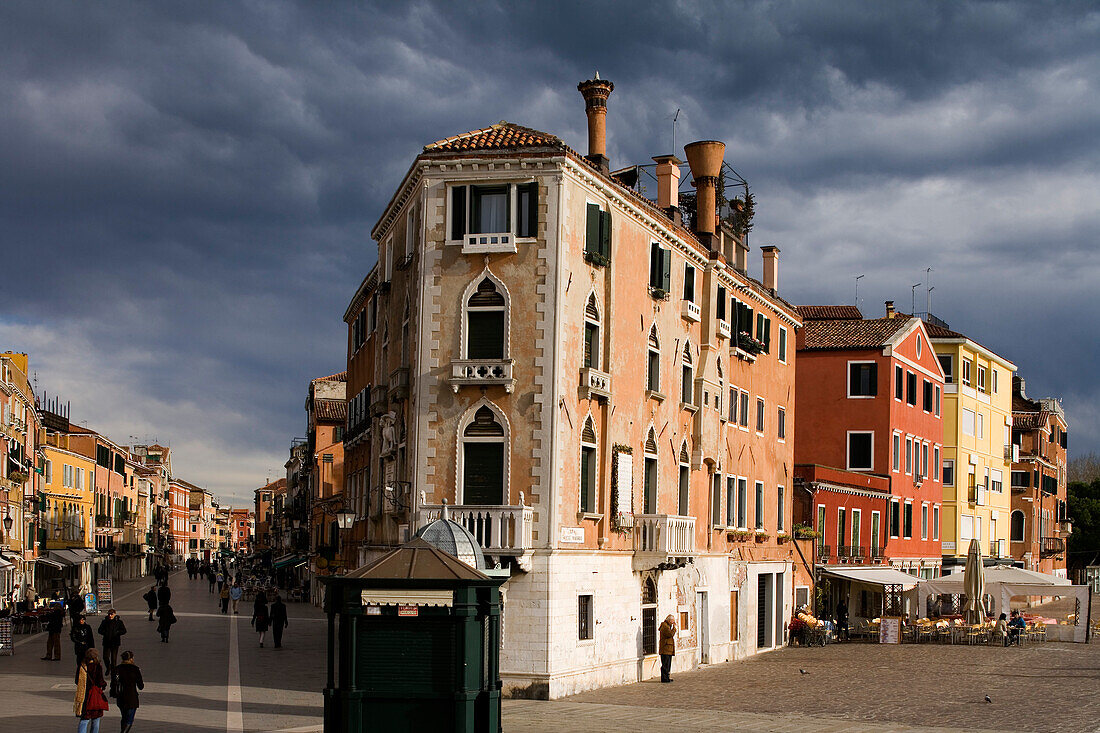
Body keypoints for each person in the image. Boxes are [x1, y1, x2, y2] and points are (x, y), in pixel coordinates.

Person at [74, 648, 108, 733]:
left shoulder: (82, 666)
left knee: (84, 719)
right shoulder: (97, 666)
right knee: (96, 720)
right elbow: (100, 681)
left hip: (84, 696)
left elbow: (76, 681)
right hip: (94, 696)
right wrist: (104, 685)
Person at [111, 650, 144, 733]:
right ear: (131, 658)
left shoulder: (117, 669)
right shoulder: (135, 669)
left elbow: (113, 682)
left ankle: (123, 730)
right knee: (129, 719)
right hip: (131, 697)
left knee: (124, 717)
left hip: (120, 697)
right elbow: (141, 686)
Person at [658, 614, 677, 683]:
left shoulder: (668, 626)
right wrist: (674, 628)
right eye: (672, 621)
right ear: (669, 620)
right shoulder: (665, 626)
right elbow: (670, 634)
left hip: (668, 649)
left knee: (668, 664)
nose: (673, 622)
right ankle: (664, 678)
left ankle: (667, 677)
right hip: (665, 649)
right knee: (665, 664)